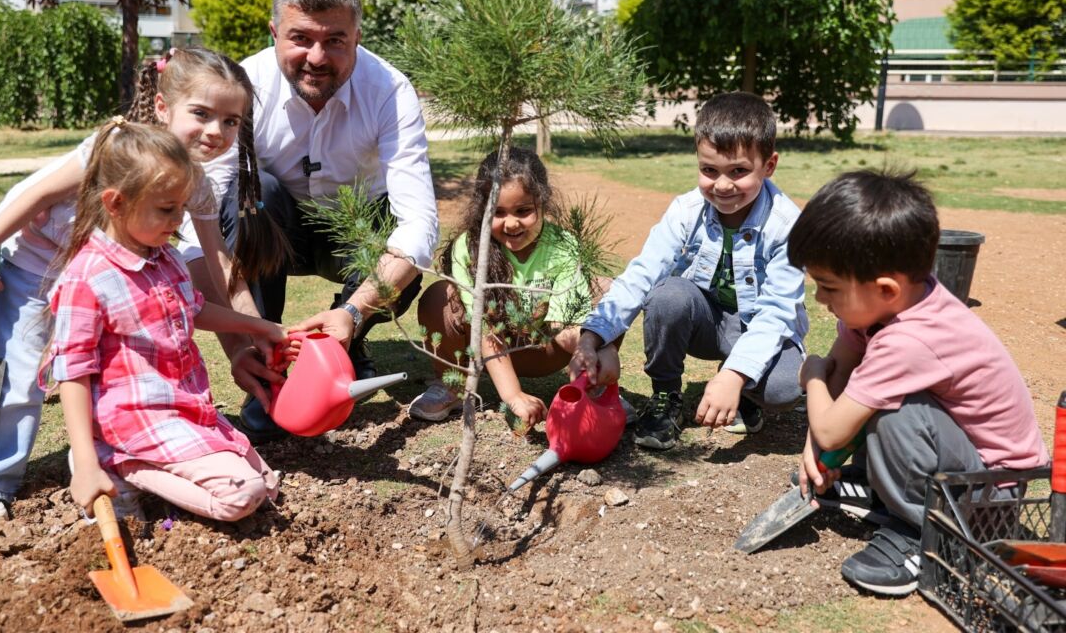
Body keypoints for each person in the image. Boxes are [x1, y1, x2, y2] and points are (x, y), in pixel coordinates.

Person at [0, 47, 285, 531]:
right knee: (15, 377)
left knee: (123, 368)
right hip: (36, 266)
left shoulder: (194, 183)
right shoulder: (114, 147)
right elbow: (36, 194)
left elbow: (216, 266)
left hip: (116, 274)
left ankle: (112, 451)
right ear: (163, 108)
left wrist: (245, 343)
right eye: (201, 114)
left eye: (231, 121)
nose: (215, 132)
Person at [178, 0, 438, 443]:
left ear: (357, 37)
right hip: (275, 232)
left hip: (353, 234)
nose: (317, 57)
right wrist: (241, 339)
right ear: (274, 31)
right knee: (254, 193)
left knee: (395, 230)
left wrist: (356, 312)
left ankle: (344, 339)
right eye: (301, 38)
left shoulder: (390, 91)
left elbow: (421, 227)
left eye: (335, 40)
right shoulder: (242, 88)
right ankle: (269, 369)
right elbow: (199, 230)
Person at [788, 169, 1047, 597]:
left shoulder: (910, 340)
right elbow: (842, 369)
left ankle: (921, 533)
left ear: (886, 289)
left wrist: (812, 376)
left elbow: (831, 412)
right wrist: (815, 453)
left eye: (829, 288)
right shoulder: (891, 304)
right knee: (870, 394)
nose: (820, 300)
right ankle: (886, 489)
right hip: (964, 466)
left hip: (987, 497)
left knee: (895, 410)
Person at [51, 120, 283, 522]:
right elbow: (72, 373)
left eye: (182, 207)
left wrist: (261, 328)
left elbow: (194, 309)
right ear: (116, 203)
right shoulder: (87, 278)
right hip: (134, 419)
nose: (178, 220)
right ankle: (119, 464)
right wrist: (86, 464)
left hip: (186, 410)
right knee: (243, 494)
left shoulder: (166, 257)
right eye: (166, 209)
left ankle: (147, 476)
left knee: (268, 484)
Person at [569, 91, 807, 451]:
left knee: (785, 387)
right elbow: (642, 274)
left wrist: (735, 374)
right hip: (706, 324)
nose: (722, 185)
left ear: (769, 165)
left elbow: (776, 313)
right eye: (709, 170)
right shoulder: (686, 210)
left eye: (739, 171)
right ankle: (666, 397)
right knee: (667, 295)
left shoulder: (787, 224)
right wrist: (591, 338)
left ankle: (744, 393)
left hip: (754, 325)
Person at [408, 148, 614, 427]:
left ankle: (590, 385)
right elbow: (485, 333)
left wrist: (599, 348)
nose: (512, 223)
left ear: (543, 201)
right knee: (439, 297)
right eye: (498, 213)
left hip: (545, 350)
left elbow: (564, 328)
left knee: (606, 290)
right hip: (490, 351)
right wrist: (513, 395)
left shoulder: (563, 246)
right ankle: (452, 386)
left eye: (524, 211)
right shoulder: (468, 249)